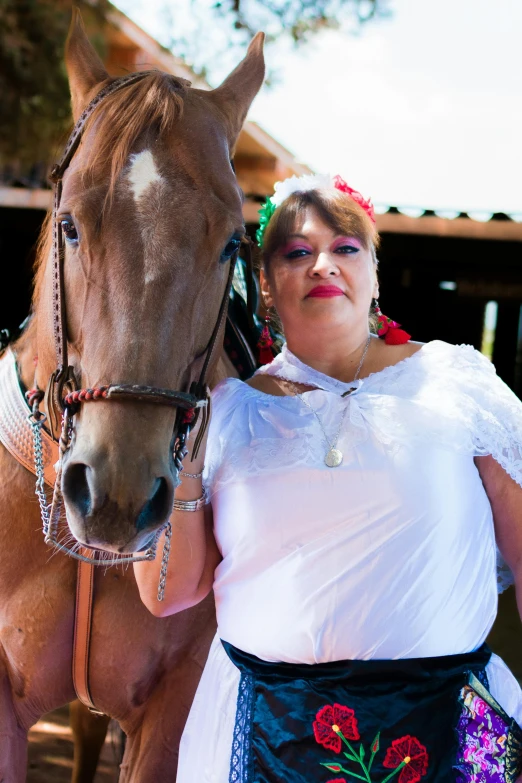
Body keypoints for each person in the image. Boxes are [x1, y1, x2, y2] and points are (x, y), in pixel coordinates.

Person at [134, 173, 522, 783]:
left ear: (373, 275)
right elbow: (167, 594)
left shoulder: (459, 382)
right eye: (296, 252)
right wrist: (181, 458)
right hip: (263, 734)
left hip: (450, 728)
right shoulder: (226, 410)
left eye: (345, 248)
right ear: (265, 284)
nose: (323, 264)